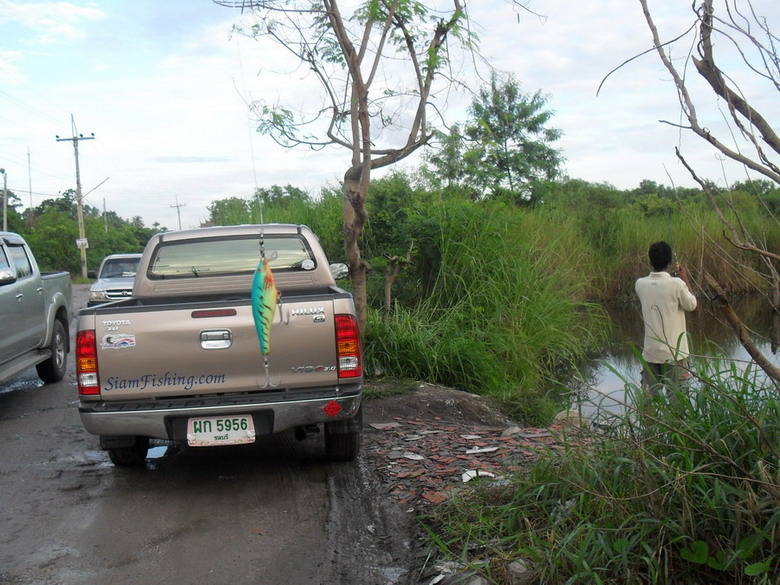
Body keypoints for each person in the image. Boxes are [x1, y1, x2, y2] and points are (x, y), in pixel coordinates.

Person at [635, 241, 698, 395]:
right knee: (679, 404)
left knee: (649, 403)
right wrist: (684, 279)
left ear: (650, 261)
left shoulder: (640, 284)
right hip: (675, 354)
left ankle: (648, 420)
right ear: (670, 261)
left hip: (650, 353)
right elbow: (692, 305)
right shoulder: (677, 284)